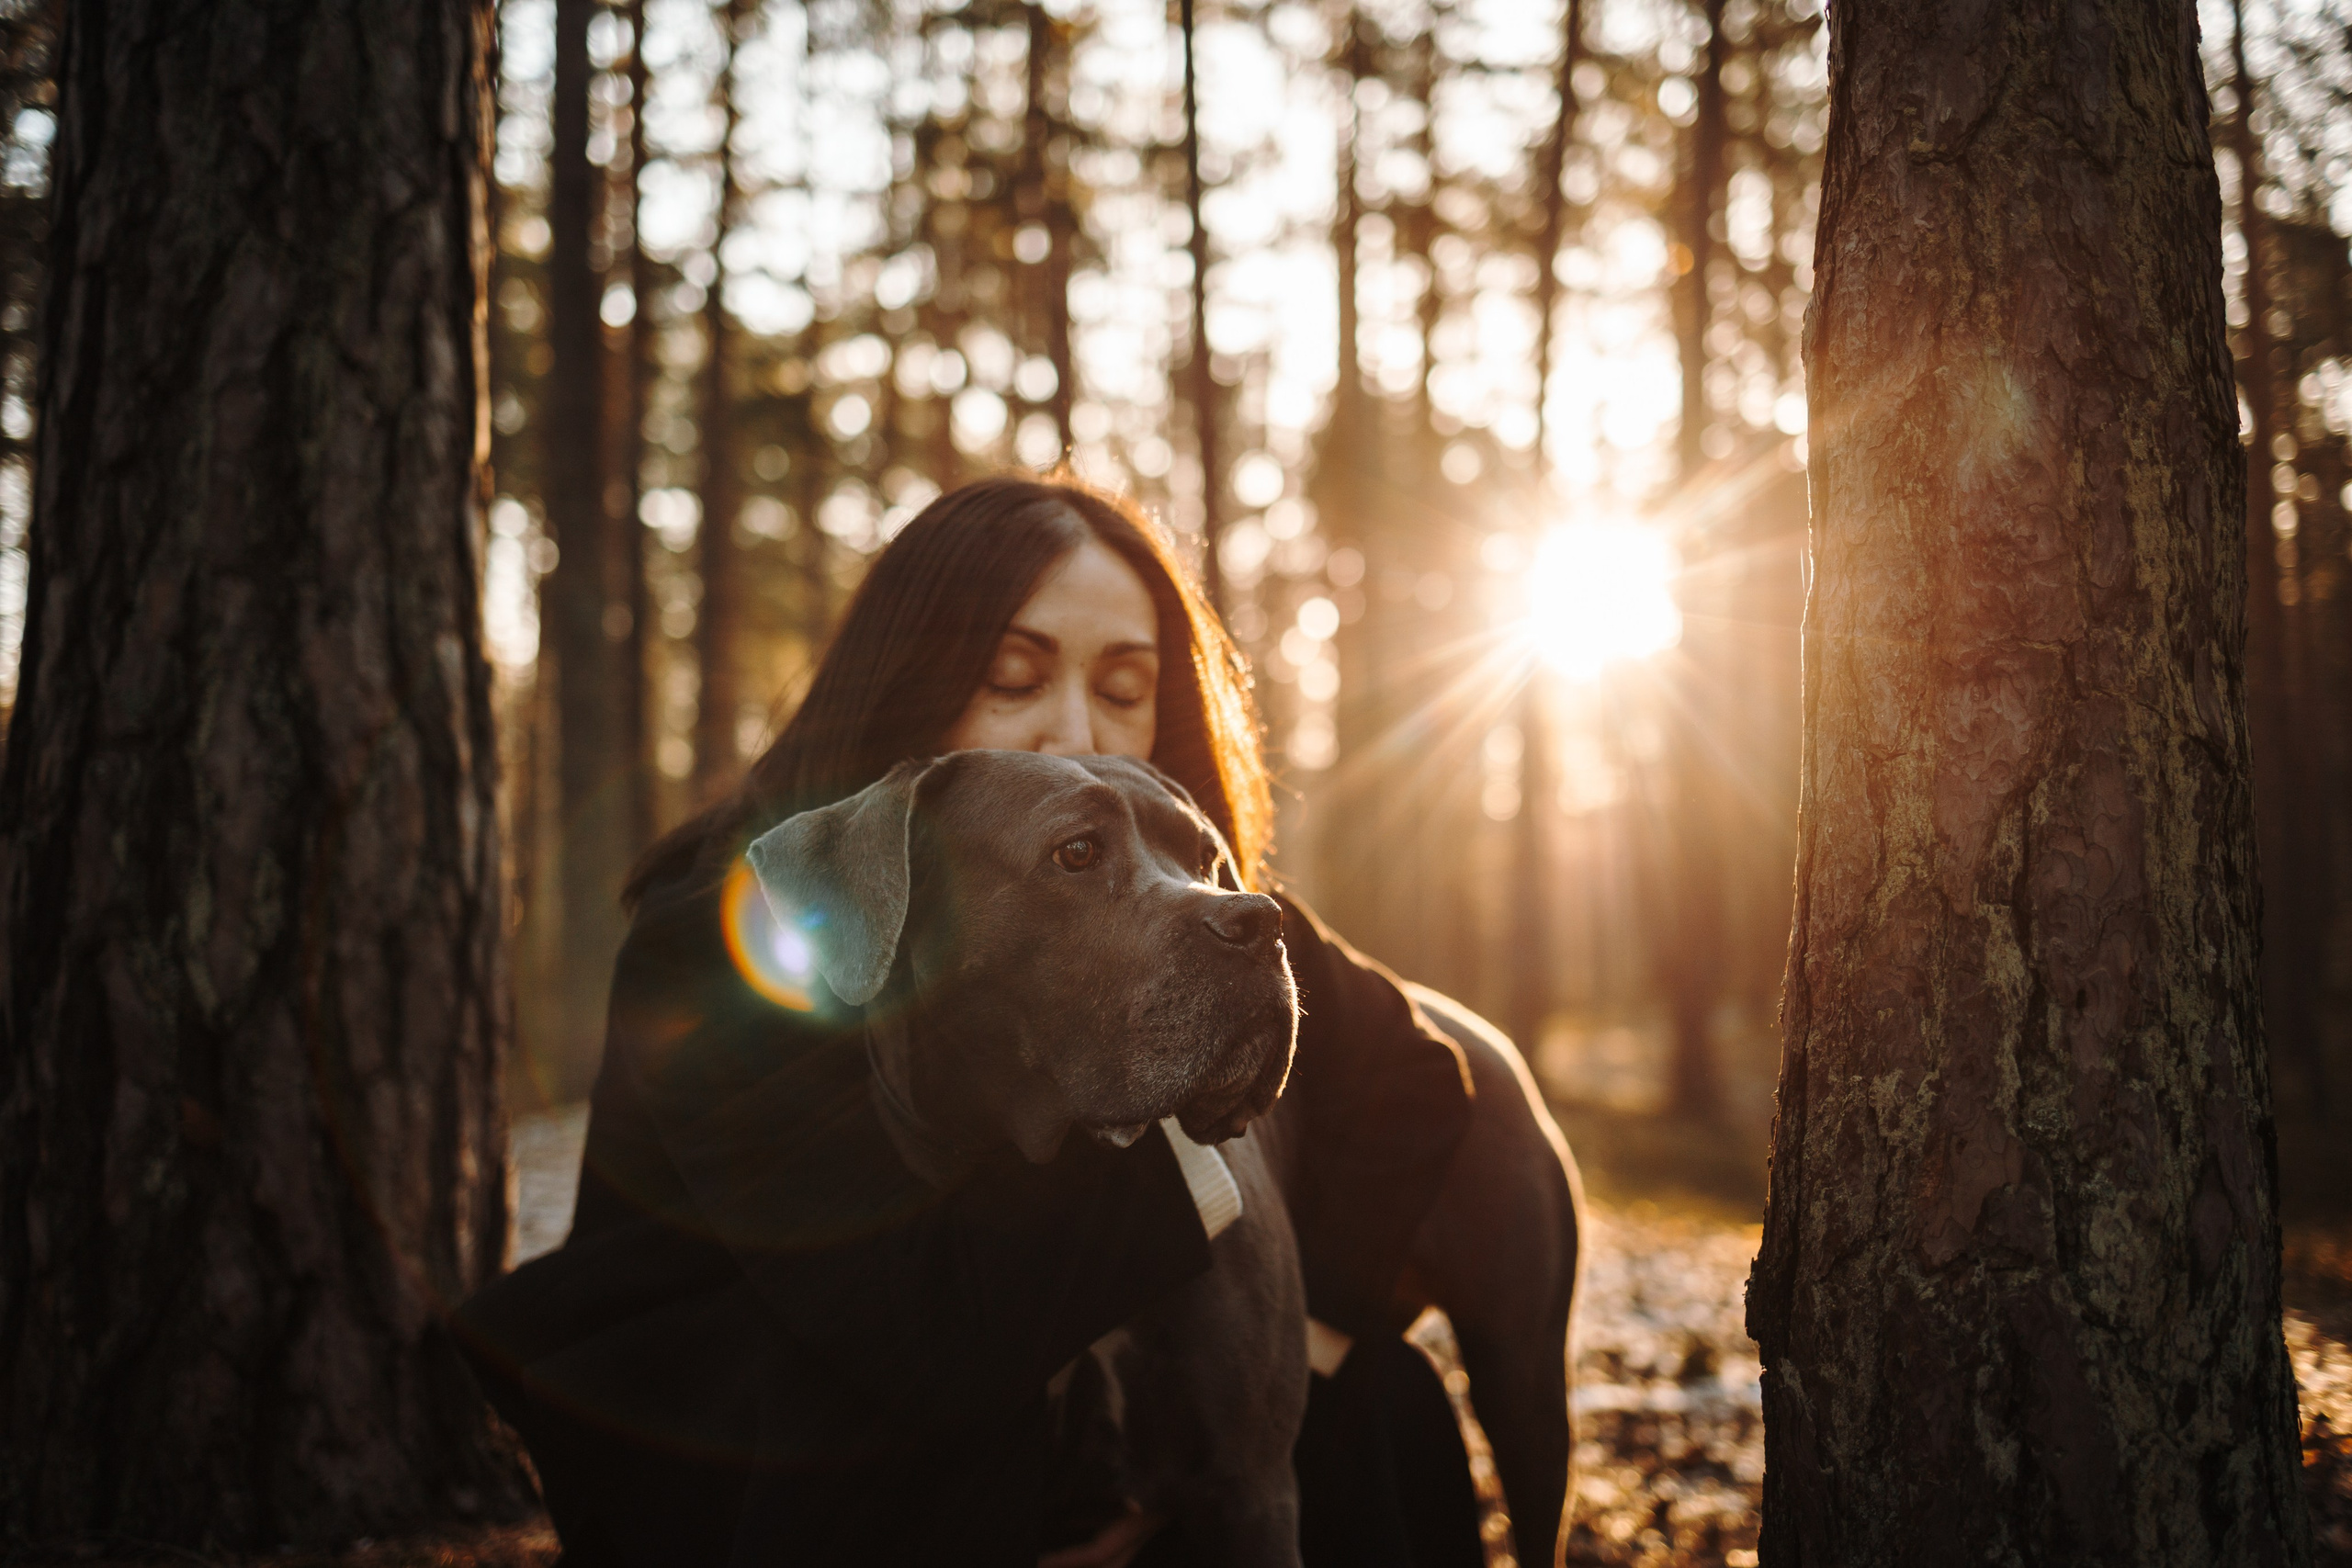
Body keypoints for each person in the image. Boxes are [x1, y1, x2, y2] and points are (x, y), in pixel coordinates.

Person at [456, 476, 1482, 1567]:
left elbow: (1411, 1076)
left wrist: (1301, 1357)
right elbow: (908, 1322)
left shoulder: (1175, 878)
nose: (1073, 731)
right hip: (771, 1433)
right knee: (915, 1429)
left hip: (1027, 1383)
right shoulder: (731, 935)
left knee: (1376, 1399)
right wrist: (1195, 1168)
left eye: (1126, 689)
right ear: (912, 679)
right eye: (1012, 677)